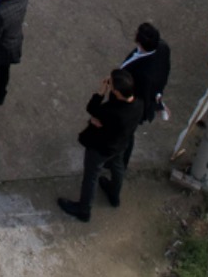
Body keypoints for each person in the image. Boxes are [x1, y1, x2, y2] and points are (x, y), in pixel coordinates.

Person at [58, 69, 144, 222]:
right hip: (121, 144)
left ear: (116, 92)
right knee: (118, 167)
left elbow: (92, 108)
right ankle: (114, 194)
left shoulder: (111, 112)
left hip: (101, 148)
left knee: (91, 176)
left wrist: (101, 92)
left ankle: (83, 210)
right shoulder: (138, 103)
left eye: (110, 83)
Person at [117, 24, 172, 171]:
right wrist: (159, 96)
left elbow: (143, 92)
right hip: (138, 100)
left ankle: (120, 164)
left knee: (126, 132)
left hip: (131, 106)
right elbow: (164, 73)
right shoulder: (162, 48)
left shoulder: (143, 74)